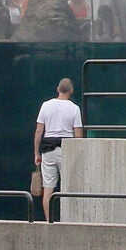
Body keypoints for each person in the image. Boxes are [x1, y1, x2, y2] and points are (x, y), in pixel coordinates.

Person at [32, 80, 83, 221]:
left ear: (57, 89)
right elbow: (78, 135)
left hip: (48, 150)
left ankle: (49, 221)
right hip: (67, 150)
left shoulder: (46, 106)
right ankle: (69, 220)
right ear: (71, 90)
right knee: (69, 187)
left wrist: (37, 153)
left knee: (48, 189)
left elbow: (38, 131)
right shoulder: (74, 108)